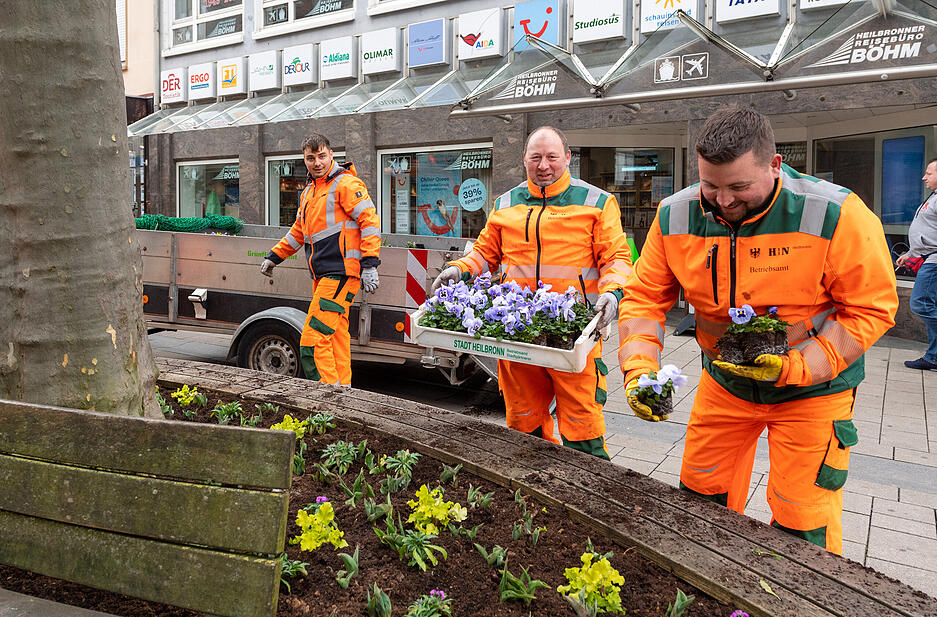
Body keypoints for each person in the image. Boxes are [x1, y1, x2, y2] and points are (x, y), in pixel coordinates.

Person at [618, 107, 898, 555]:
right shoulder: (674, 215)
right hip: (723, 384)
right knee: (698, 500)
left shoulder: (836, 213)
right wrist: (638, 370)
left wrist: (798, 366)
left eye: (739, 187)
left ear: (775, 165)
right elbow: (644, 298)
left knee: (802, 519)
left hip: (813, 395)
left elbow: (870, 308)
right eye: (710, 185)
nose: (723, 201)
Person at [432, 126, 633, 459]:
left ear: (567, 158)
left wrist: (612, 293)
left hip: (572, 334)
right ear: (524, 158)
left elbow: (617, 258)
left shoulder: (597, 203)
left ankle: (593, 493)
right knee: (523, 422)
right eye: (536, 157)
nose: (544, 165)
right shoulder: (506, 203)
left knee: (583, 423)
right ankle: (533, 490)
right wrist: (459, 269)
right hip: (518, 333)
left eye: (552, 157)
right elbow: (486, 253)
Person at [261, 134, 381, 386]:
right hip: (326, 275)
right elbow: (299, 231)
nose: (317, 162)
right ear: (304, 160)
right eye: (311, 158)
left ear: (331, 155)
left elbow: (370, 221)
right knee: (336, 337)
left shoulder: (346, 184)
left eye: (322, 156)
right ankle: (343, 393)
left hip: (339, 273)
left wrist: (370, 263)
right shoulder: (309, 192)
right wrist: (275, 256)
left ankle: (325, 398)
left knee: (313, 341)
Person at [896, 158, 937, 370]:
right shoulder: (933, 196)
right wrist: (911, 253)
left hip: (934, 261)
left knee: (920, 303)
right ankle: (934, 357)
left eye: (929, 173)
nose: (924, 177)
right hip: (927, 257)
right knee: (930, 305)